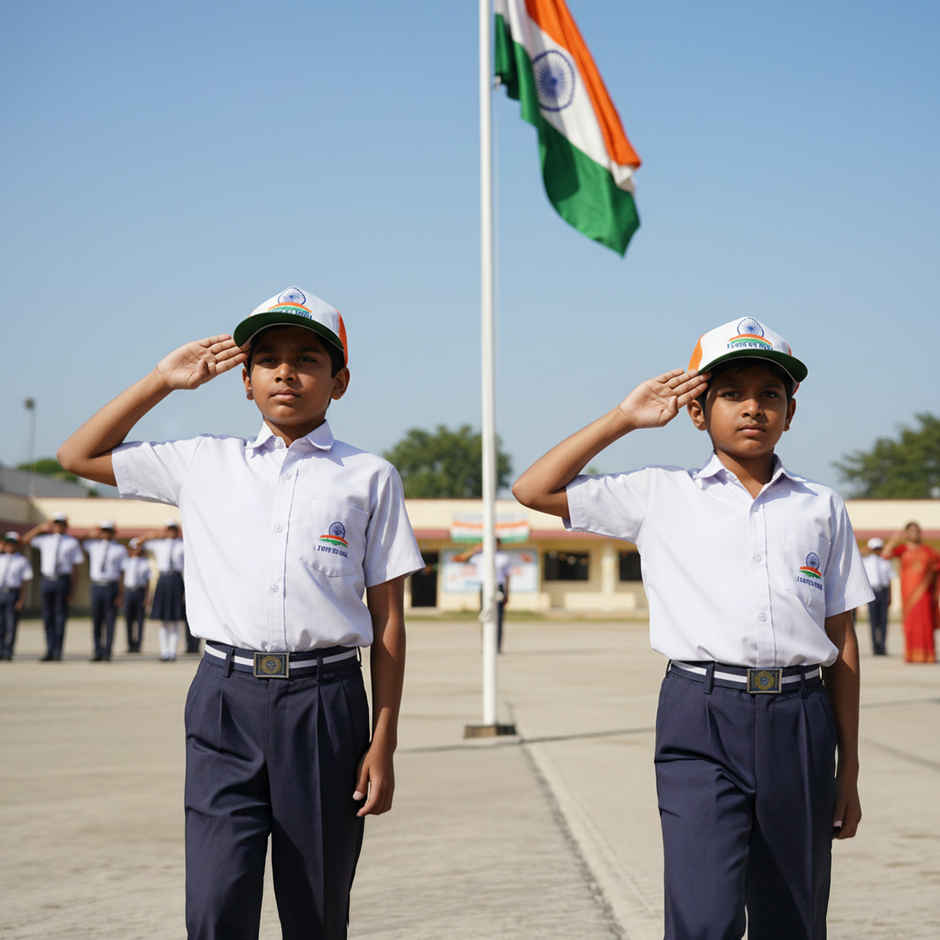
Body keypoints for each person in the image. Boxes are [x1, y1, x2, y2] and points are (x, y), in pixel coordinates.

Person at [57, 285, 424, 940]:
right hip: (224, 701)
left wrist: (384, 738)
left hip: (325, 704)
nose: (287, 371)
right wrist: (161, 382)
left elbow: (389, 619)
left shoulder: (369, 477)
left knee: (316, 908)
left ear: (339, 382)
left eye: (308, 358)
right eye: (268, 358)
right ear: (246, 380)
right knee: (216, 904)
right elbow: (76, 455)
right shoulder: (202, 462)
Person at [513, 316, 872, 939]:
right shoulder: (659, 494)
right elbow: (533, 488)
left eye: (770, 395)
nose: (753, 408)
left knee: (794, 916)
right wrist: (623, 418)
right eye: (731, 393)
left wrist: (850, 769)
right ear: (697, 413)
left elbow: (842, 640)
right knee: (703, 915)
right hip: (700, 714)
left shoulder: (820, 506)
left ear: (790, 412)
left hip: (800, 718)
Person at [22, 513, 84, 661]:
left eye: (61, 524)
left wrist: (72, 590)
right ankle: (49, 649)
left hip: (63, 580)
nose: (58, 526)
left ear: (66, 526)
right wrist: (40, 528)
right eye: (56, 523)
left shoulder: (72, 542)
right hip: (47, 580)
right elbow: (25, 540)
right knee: (48, 616)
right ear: (52, 525)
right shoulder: (45, 540)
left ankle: (58, 651)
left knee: (60, 616)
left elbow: (75, 569)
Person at [882, 522, 938, 663]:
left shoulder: (929, 551)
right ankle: (912, 655)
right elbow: (885, 555)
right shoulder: (902, 550)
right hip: (908, 595)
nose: (914, 533)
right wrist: (894, 540)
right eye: (911, 531)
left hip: (925, 595)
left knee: (925, 624)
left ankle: (927, 655)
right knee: (911, 625)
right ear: (906, 533)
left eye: (917, 531)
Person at [452, 538, 512, 652]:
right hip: (484, 588)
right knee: (485, 616)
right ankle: (487, 646)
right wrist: (475, 549)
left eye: (496, 544)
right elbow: (458, 559)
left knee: (498, 617)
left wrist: (507, 593)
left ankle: (497, 647)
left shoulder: (503, 557)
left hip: (498, 586)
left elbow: (508, 576)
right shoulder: (480, 556)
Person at [138, 522, 185, 661]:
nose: (171, 532)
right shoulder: (158, 544)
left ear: (177, 531)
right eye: (168, 530)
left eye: (173, 530)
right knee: (164, 620)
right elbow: (134, 543)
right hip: (163, 579)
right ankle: (164, 652)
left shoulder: (182, 545)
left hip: (176, 578)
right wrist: (153, 535)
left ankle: (172, 652)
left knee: (175, 619)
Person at [83, 522, 128, 661]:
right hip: (97, 586)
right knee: (96, 620)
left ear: (114, 533)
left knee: (110, 620)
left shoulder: (120, 549)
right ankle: (97, 651)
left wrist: (121, 594)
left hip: (111, 586)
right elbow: (78, 543)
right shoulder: (93, 546)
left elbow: (122, 572)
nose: (106, 534)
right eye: (103, 531)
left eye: (109, 531)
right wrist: (90, 533)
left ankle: (107, 651)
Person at [0, 532, 33, 660]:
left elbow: (25, 583)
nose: (10, 546)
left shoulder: (22, 561)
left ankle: (8, 651)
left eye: (13, 544)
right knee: (0, 625)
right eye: (7, 543)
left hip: (13, 593)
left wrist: (21, 600)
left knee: (11, 624)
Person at [861, 537, 893, 655]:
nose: (877, 551)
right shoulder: (865, 561)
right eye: (875, 549)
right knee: (873, 621)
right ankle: (875, 646)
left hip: (883, 591)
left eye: (879, 548)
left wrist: (890, 596)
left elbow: (889, 581)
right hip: (872, 592)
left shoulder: (886, 561)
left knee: (884, 621)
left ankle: (883, 646)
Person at [121, 537, 151, 653]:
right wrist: (122, 594)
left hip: (140, 591)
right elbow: (122, 578)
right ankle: (130, 644)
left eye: (138, 548)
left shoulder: (145, 562)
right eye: (133, 548)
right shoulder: (125, 561)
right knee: (128, 619)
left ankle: (138, 645)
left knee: (139, 619)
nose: (136, 550)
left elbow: (148, 581)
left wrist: (147, 597)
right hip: (128, 591)